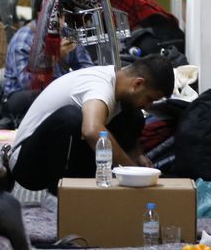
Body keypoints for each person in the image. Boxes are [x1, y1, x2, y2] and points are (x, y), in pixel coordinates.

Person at [9, 56, 174, 194]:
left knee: (134, 115)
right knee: (72, 118)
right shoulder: (99, 87)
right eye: (149, 98)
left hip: (65, 154)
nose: (148, 105)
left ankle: (90, 190)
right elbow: (91, 131)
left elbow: (126, 129)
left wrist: (137, 156)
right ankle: (60, 195)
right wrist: (131, 172)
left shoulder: (118, 87)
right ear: (137, 84)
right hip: (29, 165)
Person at [2, 19, 92, 124]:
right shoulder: (24, 38)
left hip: (61, 89)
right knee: (36, 96)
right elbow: (28, 83)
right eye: (55, 14)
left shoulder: (69, 32)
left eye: (62, 14)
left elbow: (87, 67)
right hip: (25, 94)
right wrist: (53, 57)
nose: (60, 20)